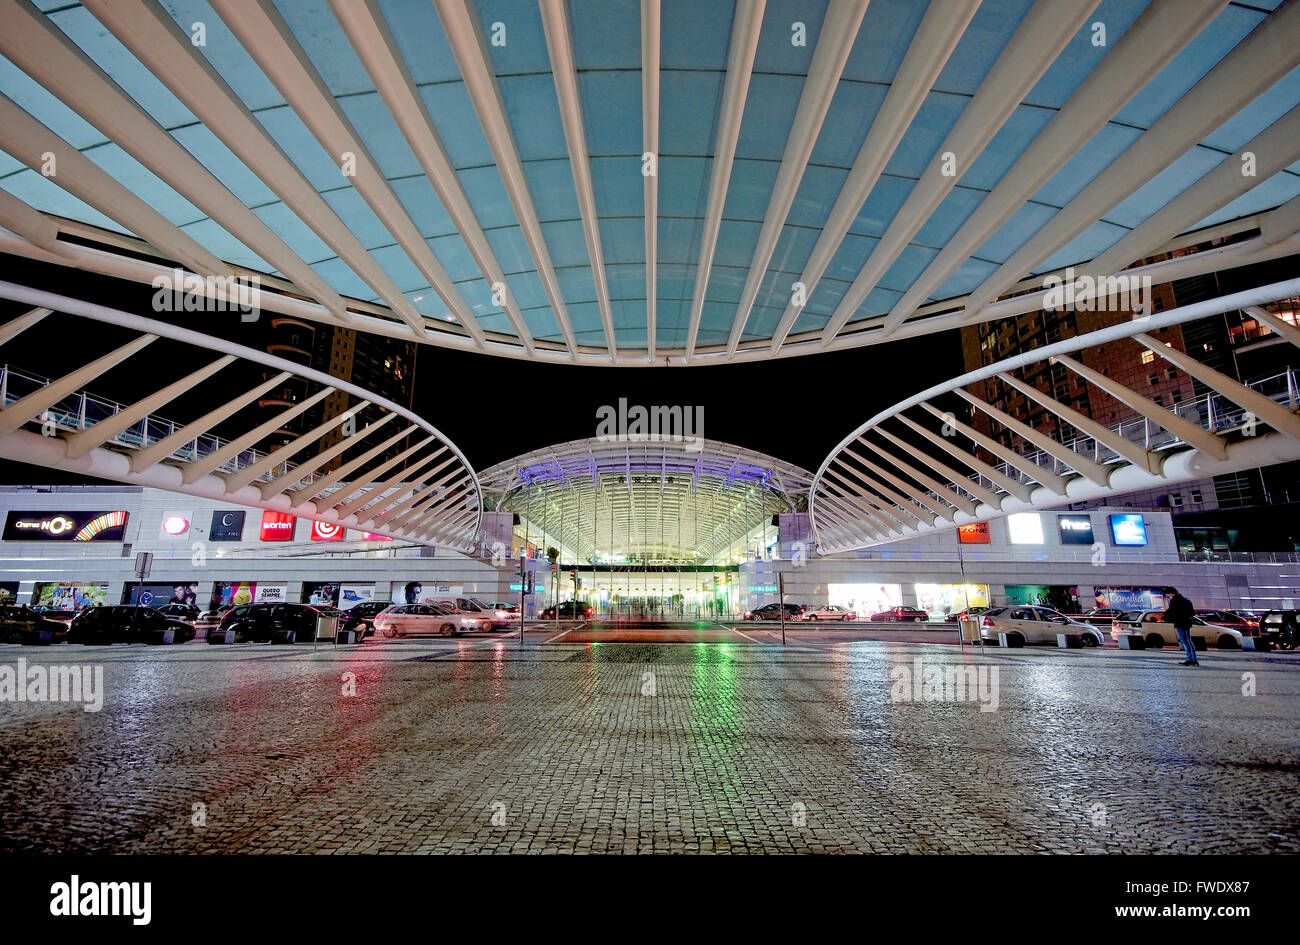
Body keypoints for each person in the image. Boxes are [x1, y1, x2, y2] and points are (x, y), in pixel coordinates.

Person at [1163, 587, 1198, 666]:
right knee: (1189, 640)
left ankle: (1189, 659)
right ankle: (1194, 659)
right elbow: (1192, 613)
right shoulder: (1187, 600)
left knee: (1184, 641)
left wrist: (1166, 616)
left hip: (1179, 622)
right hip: (1187, 622)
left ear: (1172, 593)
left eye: (1169, 594)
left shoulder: (1174, 601)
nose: (1169, 596)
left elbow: (1171, 611)